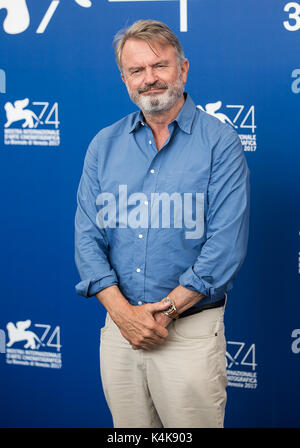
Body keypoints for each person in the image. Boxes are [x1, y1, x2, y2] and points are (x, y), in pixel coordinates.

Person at [74, 19, 250, 428]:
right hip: (119, 328)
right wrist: (123, 315)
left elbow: (225, 247)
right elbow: (87, 238)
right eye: (137, 70)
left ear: (183, 69)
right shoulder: (104, 144)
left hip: (187, 331)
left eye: (159, 66)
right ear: (124, 79)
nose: (149, 79)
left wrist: (164, 313)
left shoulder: (220, 142)